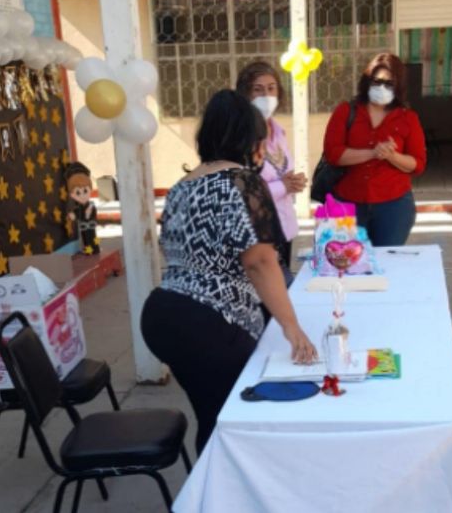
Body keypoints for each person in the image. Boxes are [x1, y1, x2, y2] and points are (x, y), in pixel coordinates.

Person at [141, 90, 317, 454]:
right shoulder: (242, 182)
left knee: (213, 415)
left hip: (162, 313)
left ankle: (207, 493)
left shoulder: (181, 187)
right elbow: (260, 261)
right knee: (230, 422)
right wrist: (291, 325)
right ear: (248, 140)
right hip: (208, 320)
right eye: (259, 141)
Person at [322, 53, 427, 246]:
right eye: (377, 81)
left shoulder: (408, 118)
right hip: (348, 202)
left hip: (393, 206)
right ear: (367, 81)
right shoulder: (346, 111)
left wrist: (392, 156)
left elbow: (418, 164)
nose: (382, 88)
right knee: (347, 264)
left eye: (389, 84)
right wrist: (372, 152)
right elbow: (333, 154)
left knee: (386, 265)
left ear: (398, 87)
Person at [235, 61, 306, 269]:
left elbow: (284, 170)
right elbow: (241, 191)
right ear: (245, 94)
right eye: (258, 89)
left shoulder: (278, 131)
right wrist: (283, 186)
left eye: (271, 88)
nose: (266, 95)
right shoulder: (241, 137)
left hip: (284, 227)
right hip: (258, 231)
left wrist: (293, 182)